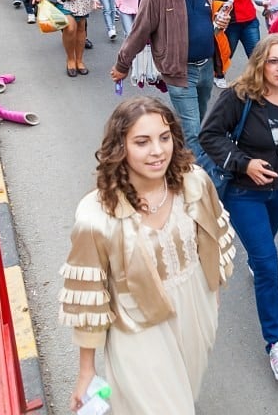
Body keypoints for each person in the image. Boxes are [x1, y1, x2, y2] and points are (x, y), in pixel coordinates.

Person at [59, 97, 235, 415]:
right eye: (142, 142)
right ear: (120, 147)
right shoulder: (96, 216)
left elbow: (216, 240)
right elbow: (87, 296)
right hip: (136, 328)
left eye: (164, 138)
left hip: (197, 312)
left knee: (186, 395)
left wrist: (213, 294)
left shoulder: (195, 183)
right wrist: (86, 371)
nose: (157, 151)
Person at [199, 35, 278, 382]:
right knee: (268, 266)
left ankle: (257, 258)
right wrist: (243, 163)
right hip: (244, 193)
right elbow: (210, 136)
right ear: (259, 63)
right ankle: (277, 345)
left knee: (261, 250)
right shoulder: (239, 96)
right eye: (273, 61)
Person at [112, 0, 231, 169]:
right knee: (194, 131)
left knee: (195, 123)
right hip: (180, 71)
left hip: (206, 67)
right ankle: (198, 178)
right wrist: (122, 66)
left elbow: (204, 22)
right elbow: (138, 33)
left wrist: (218, 22)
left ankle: (176, 154)